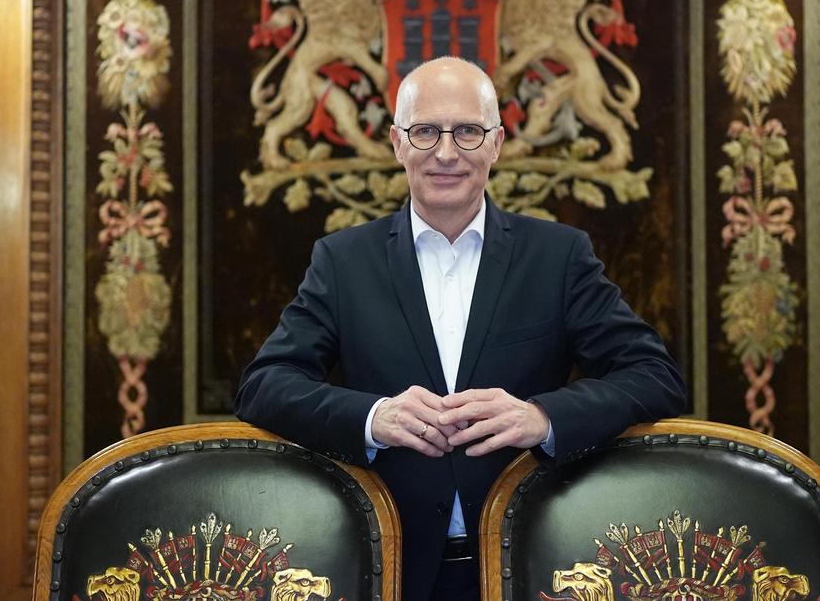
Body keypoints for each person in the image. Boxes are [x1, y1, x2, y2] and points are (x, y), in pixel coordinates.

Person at [235, 56, 686, 601]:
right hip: (386, 567)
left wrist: (542, 417)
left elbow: (653, 375)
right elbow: (264, 386)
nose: (446, 153)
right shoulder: (343, 261)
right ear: (397, 143)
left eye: (468, 132)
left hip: (531, 564)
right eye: (425, 131)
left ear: (496, 143)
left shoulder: (559, 256)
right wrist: (375, 418)